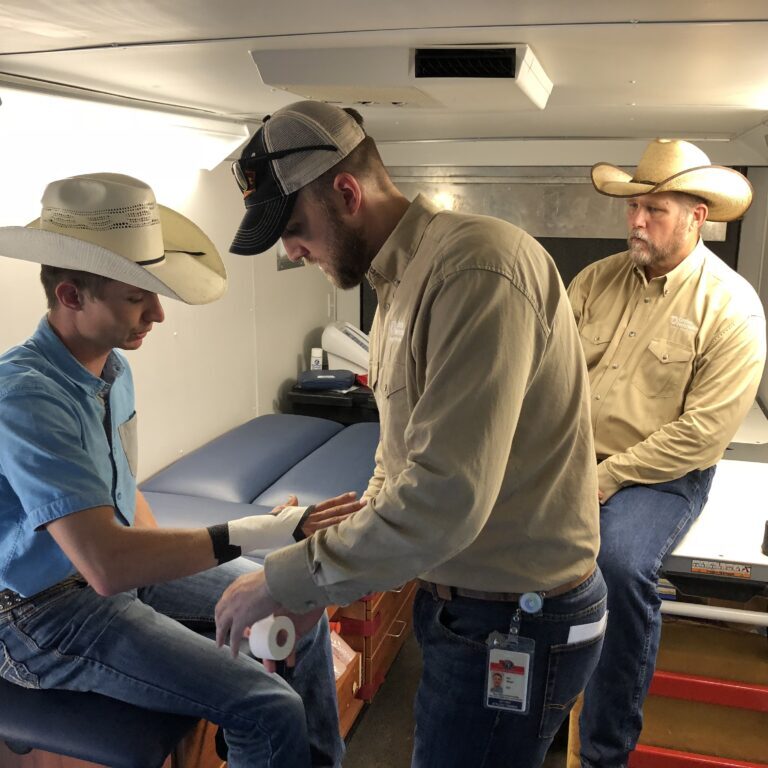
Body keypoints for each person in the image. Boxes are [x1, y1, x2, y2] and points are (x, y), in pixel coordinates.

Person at [217, 100, 607, 768]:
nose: (290, 249)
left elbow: (443, 497)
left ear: (346, 193)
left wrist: (287, 579)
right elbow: (399, 465)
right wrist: (329, 585)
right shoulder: (398, 283)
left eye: (296, 227)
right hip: (467, 611)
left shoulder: (475, 272)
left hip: (515, 622)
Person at [0, 173, 364, 768]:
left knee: (299, 599)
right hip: (40, 616)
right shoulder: (25, 399)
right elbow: (108, 566)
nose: (159, 313)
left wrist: (271, 569)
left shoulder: (111, 370)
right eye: (137, 296)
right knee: (266, 708)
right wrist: (263, 532)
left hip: (105, 580)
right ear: (70, 296)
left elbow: (126, 505)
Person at [566, 139, 767, 767]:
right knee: (522, 556)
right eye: (633, 208)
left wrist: (607, 476)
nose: (635, 221)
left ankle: (605, 750)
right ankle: (545, 710)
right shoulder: (595, 281)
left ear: (697, 216)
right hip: (573, 457)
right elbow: (548, 375)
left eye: (654, 209)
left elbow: (703, 433)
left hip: (661, 473)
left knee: (620, 569)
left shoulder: (732, 305)